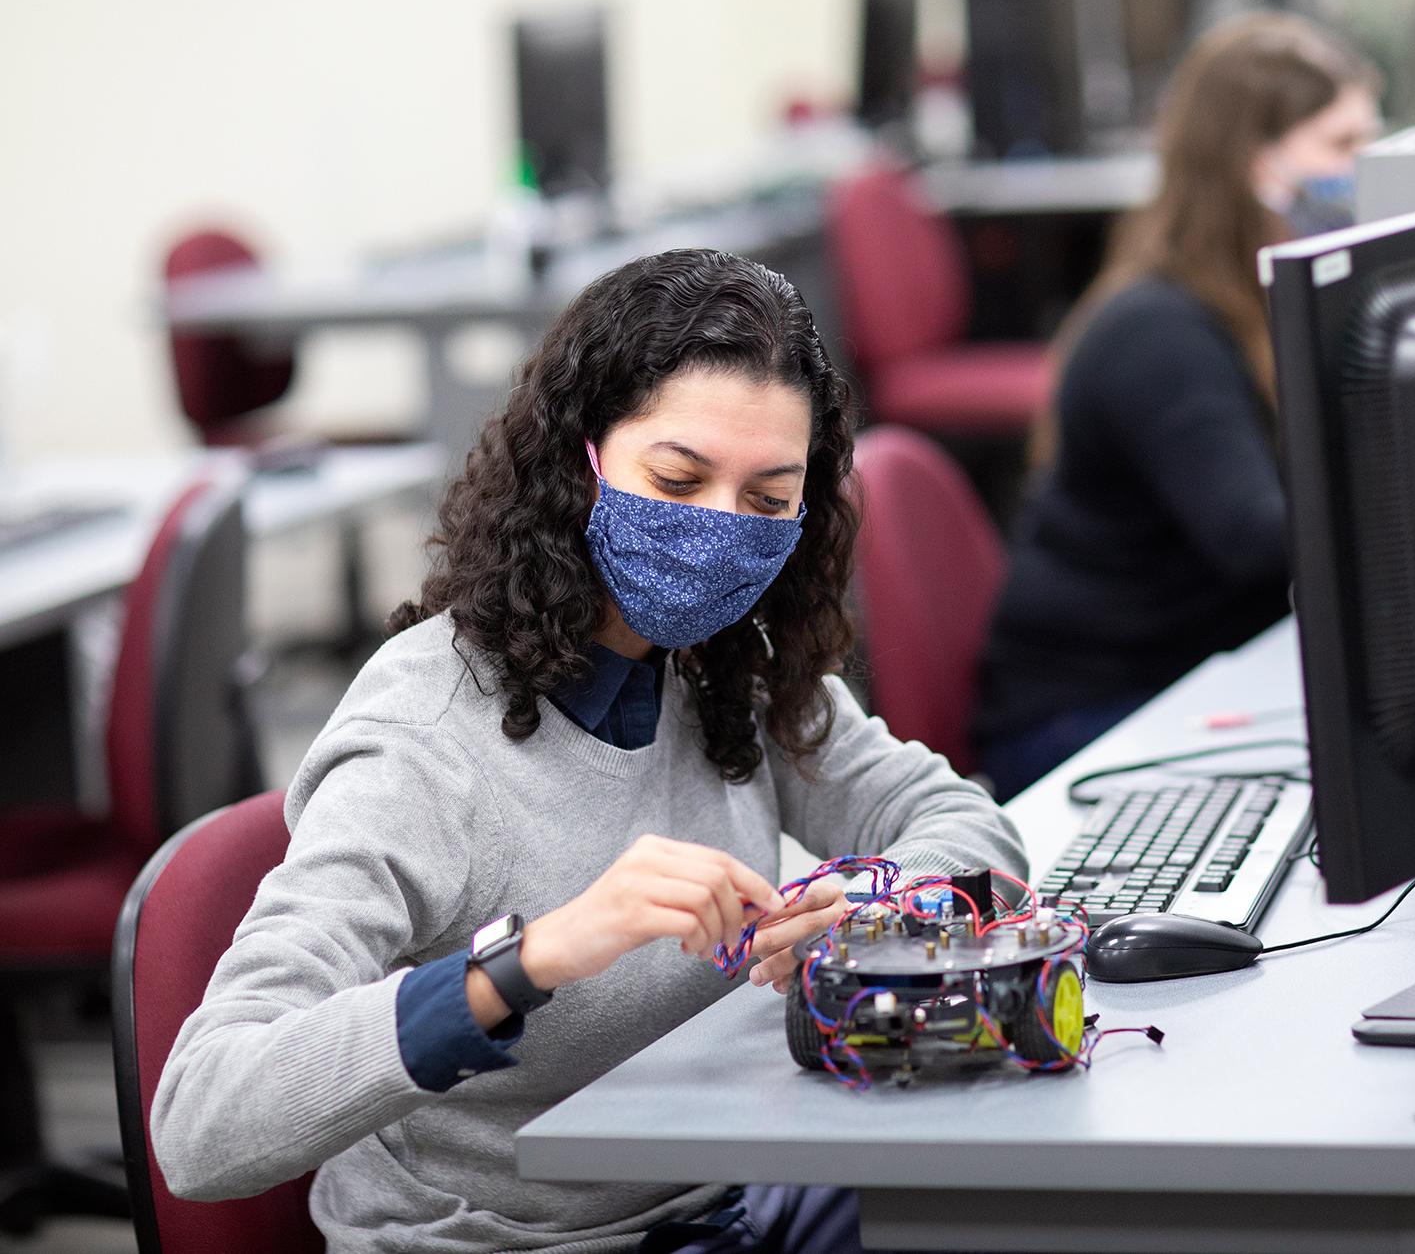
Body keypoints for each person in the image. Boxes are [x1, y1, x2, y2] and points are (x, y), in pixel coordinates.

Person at [150, 249, 1027, 1253]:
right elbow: (201, 1121)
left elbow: (965, 824)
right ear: (583, 458)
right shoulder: (422, 740)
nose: (718, 530)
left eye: (765, 498)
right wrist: (525, 962)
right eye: (678, 477)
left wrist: (883, 901)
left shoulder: (722, 663)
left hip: (726, 1199)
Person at [976, 14, 1383, 800]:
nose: (1367, 167)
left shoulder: (1263, 303)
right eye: (1341, 146)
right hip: (1084, 718)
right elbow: (1260, 541)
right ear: (1254, 164)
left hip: (1195, 679)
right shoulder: (1160, 330)